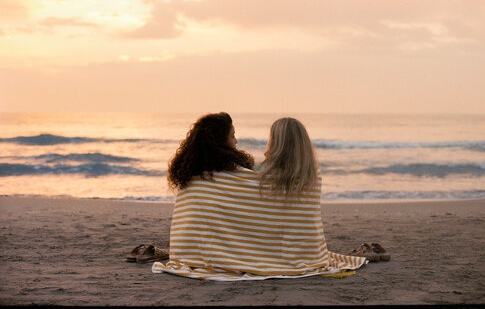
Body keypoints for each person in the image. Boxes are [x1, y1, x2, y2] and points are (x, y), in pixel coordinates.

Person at [153, 115, 367, 281]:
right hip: (307, 252)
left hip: (191, 252)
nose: (236, 140)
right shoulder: (314, 176)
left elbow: (247, 207)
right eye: (232, 135)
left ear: (276, 141)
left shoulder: (212, 178)